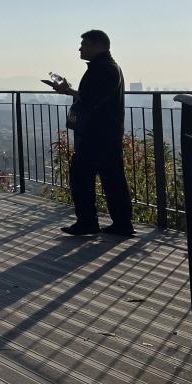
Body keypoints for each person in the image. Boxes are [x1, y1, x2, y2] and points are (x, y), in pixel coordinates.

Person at [46, 30, 135, 237]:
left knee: (81, 176)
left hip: (97, 133)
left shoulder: (104, 69)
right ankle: (121, 223)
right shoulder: (108, 68)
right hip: (107, 133)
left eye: (85, 44)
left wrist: (68, 91)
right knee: (112, 178)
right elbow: (92, 97)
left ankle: (88, 222)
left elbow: (89, 99)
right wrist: (69, 91)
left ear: (97, 46)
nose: (80, 48)